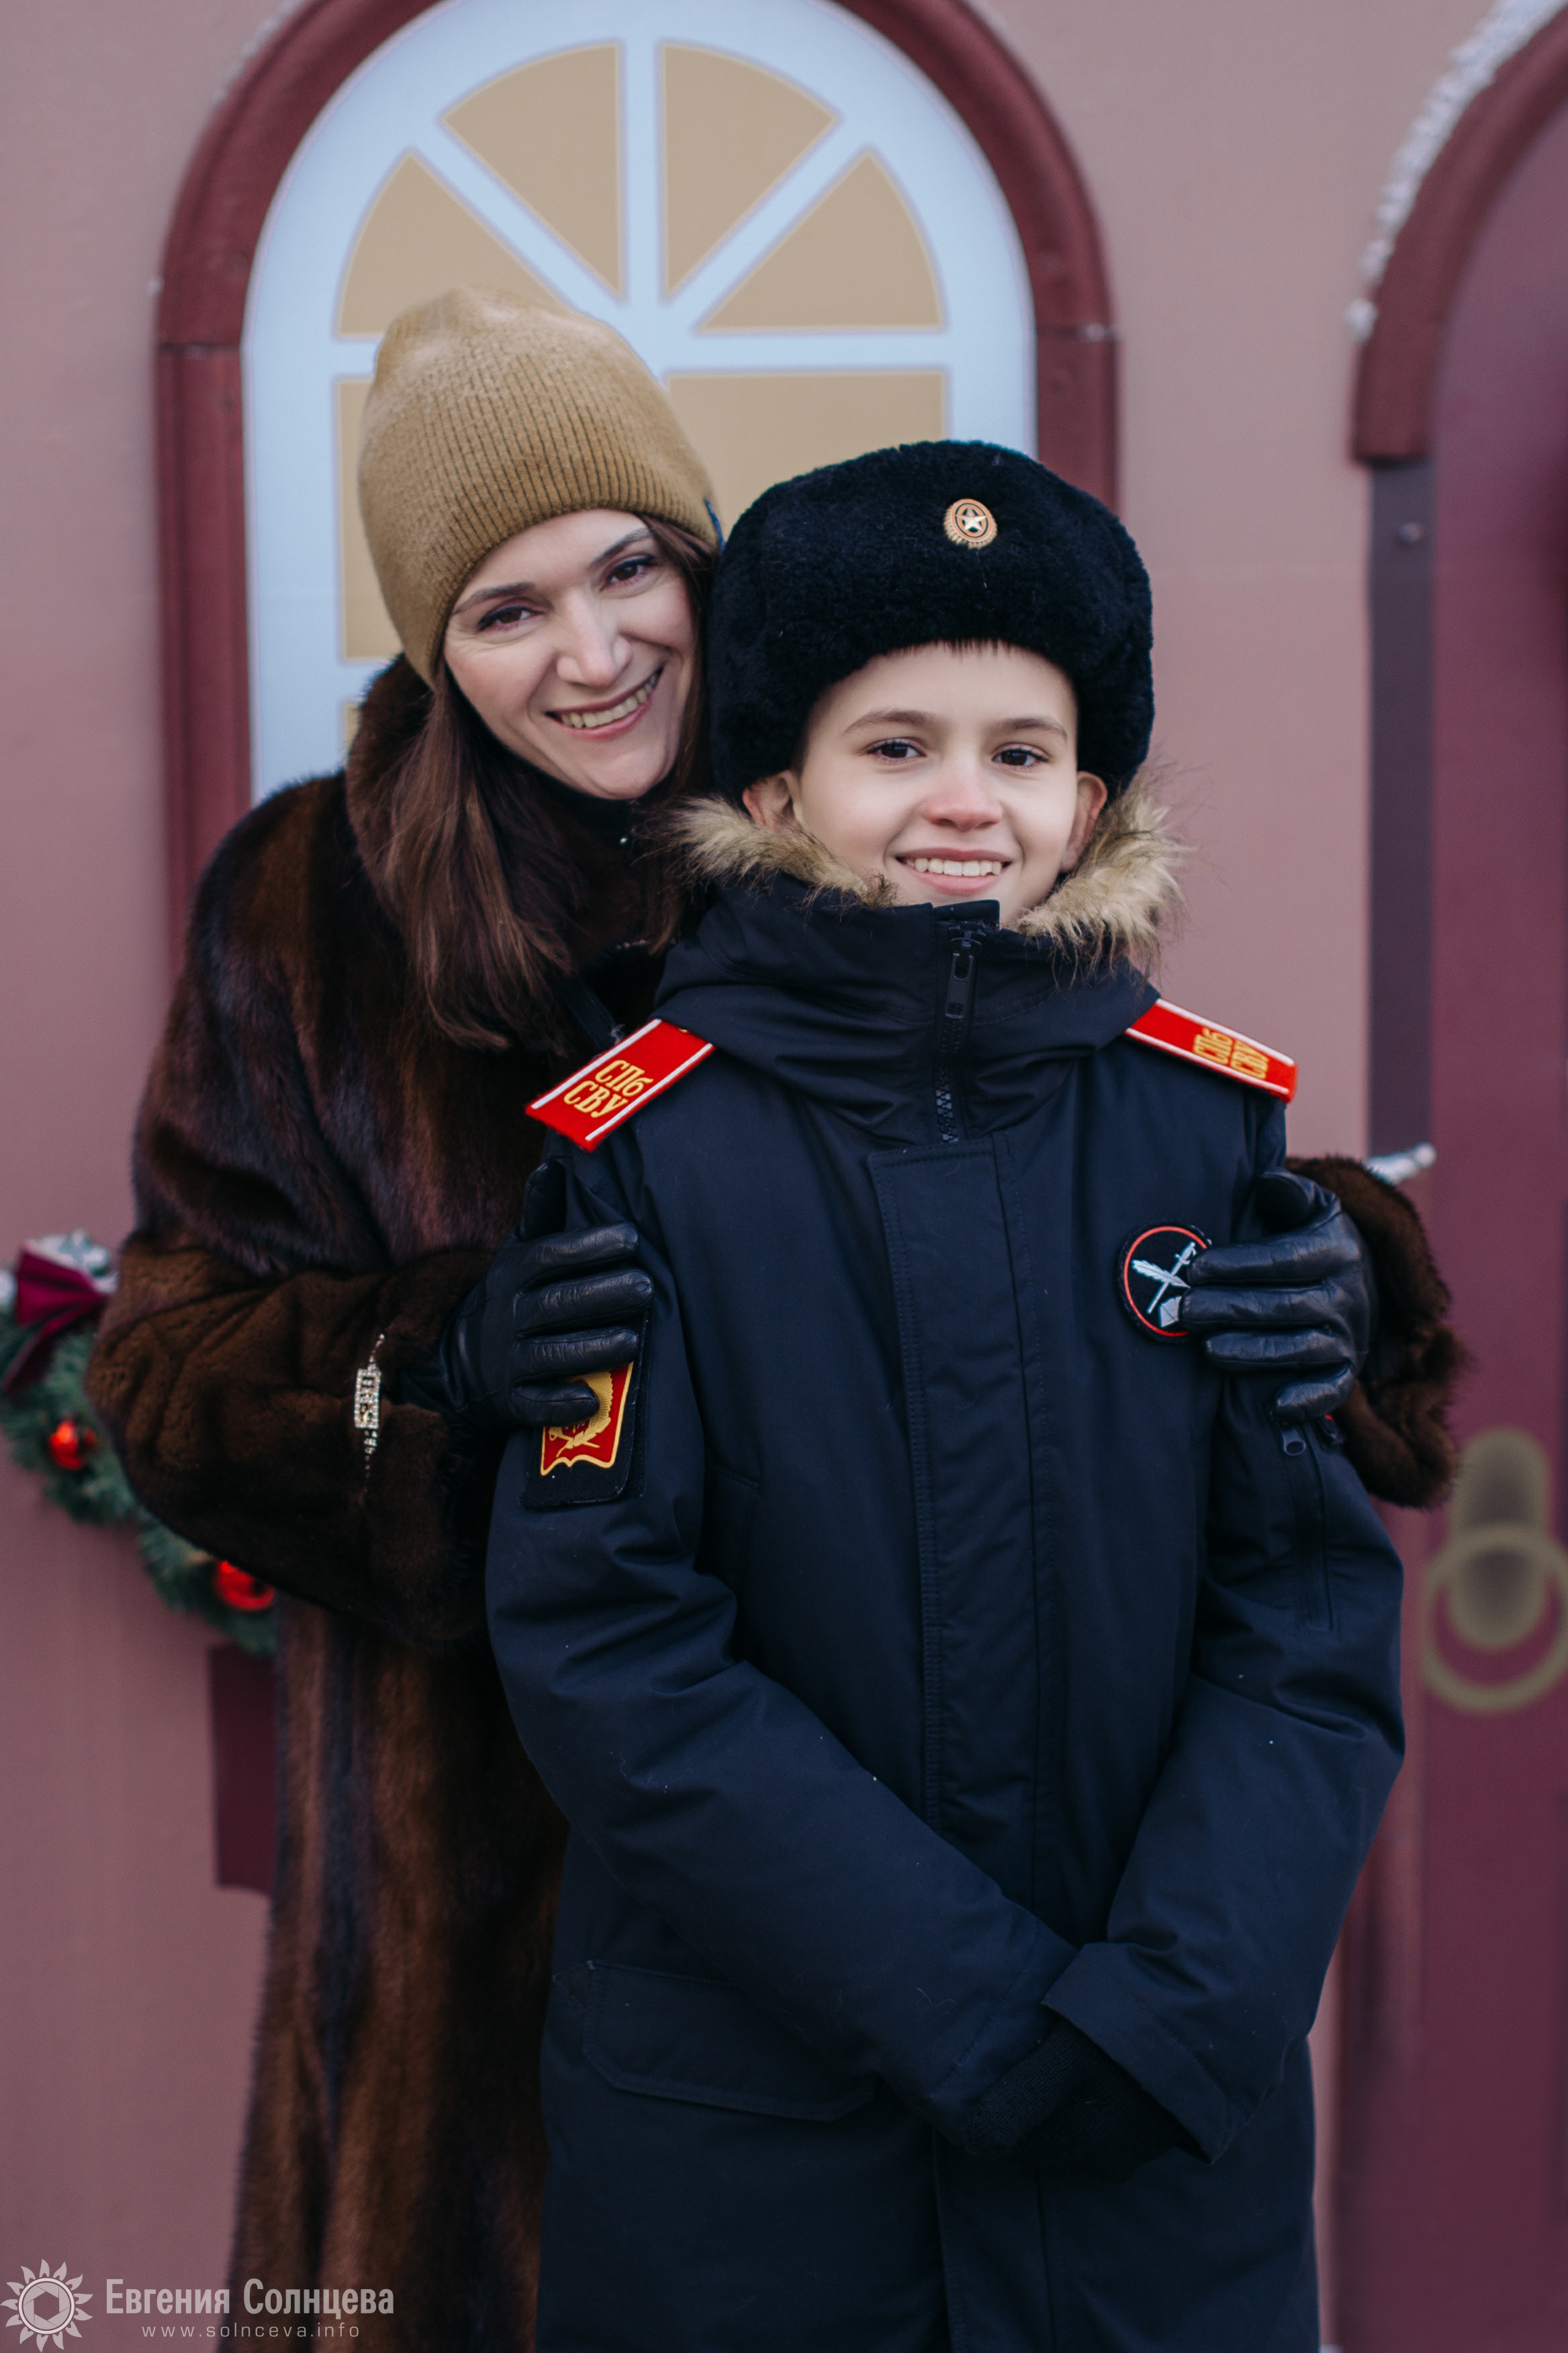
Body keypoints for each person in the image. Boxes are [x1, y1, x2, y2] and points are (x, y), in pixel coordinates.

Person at [86, 288, 1449, 2349]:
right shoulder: (312, 908)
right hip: (507, 1874)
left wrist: (1341, 1270)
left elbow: (1103, 1161)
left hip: (988, 1854)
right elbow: (166, 1380)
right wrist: (428, 1372)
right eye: (507, 606)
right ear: (432, 653)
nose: (595, 646)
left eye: (632, 565)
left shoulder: (904, 793)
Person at [484, 442, 1412, 2352]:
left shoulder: (1203, 1120)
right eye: (892, 746)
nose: (961, 801)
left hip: (1157, 2141)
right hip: (762, 2157)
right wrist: (986, 2016)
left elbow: (1306, 1622)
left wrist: (1172, 2009)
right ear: (775, 789)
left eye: (1020, 749)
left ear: (1091, 799)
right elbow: (612, 1642)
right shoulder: (646, 1149)